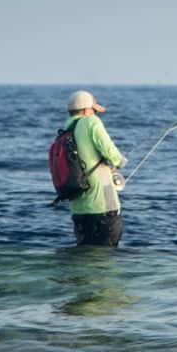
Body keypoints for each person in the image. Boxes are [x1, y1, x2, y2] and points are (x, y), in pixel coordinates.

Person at [63, 90, 127, 247]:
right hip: (102, 208)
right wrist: (120, 162)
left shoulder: (68, 128)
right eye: (93, 110)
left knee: (83, 260)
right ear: (86, 110)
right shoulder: (91, 121)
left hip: (78, 211)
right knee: (105, 261)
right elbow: (111, 152)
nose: (94, 114)